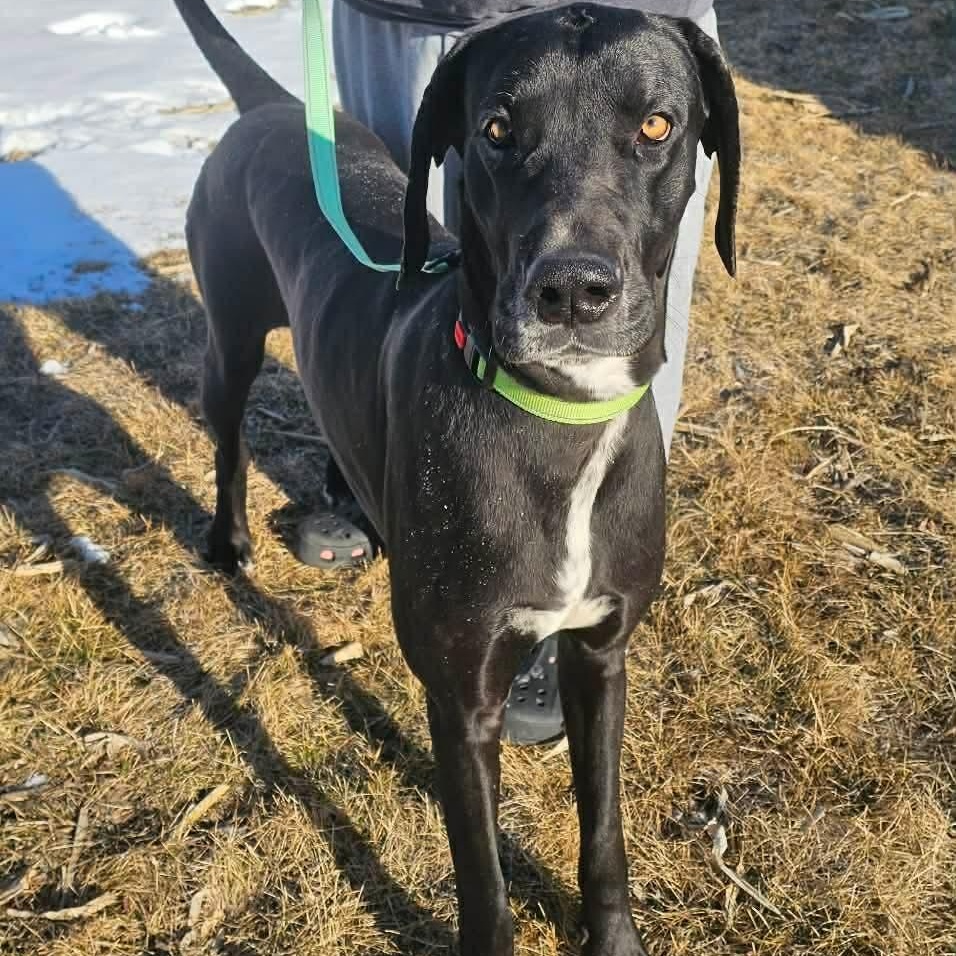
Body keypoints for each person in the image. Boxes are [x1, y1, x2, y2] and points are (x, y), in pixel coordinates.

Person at [300, 0, 720, 744]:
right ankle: (398, 498)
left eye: (651, 132)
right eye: (499, 135)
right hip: (418, 16)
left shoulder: (668, 64)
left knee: (617, 375)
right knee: (422, 330)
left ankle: (577, 580)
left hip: (651, 9)